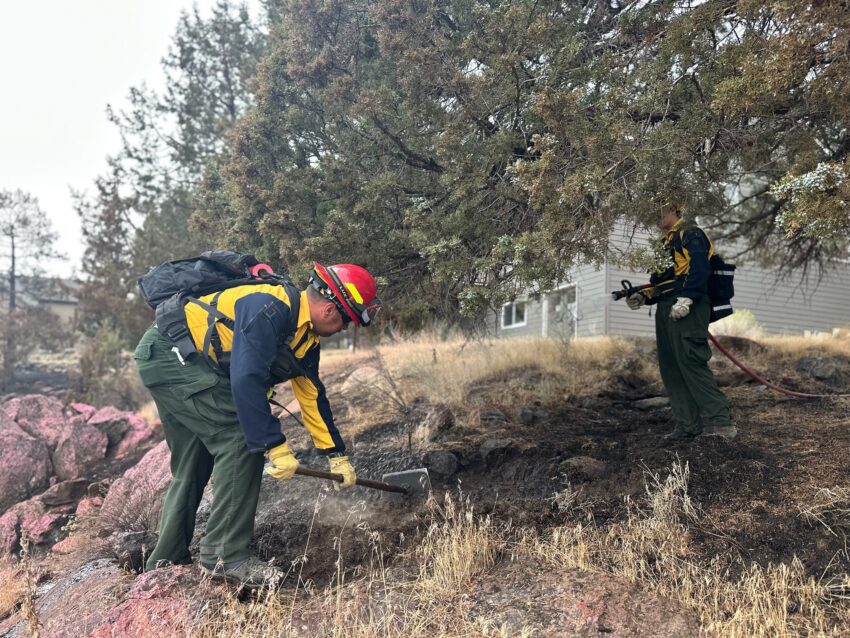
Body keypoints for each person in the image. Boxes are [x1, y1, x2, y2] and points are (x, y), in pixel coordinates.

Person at [134, 262, 380, 587]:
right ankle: (225, 555)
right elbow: (246, 379)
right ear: (332, 309)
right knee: (240, 440)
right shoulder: (269, 306)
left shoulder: (305, 339)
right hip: (171, 356)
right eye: (347, 321)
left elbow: (311, 395)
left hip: (174, 357)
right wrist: (274, 446)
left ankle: (165, 561)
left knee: (194, 461)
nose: (344, 329)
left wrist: (336, 455)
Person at [626, 201, 737, 442]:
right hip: (667, 307)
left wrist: (687, 299)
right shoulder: (664, 242)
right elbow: (661, 282)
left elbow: (700, 268)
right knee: (671, 367)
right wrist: (643, 296)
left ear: (674, 209)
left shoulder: (691, 233)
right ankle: (687, 426)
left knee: (691, 362)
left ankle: (722, 423)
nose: (653, 217)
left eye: (659, 210)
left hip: (689, 305)